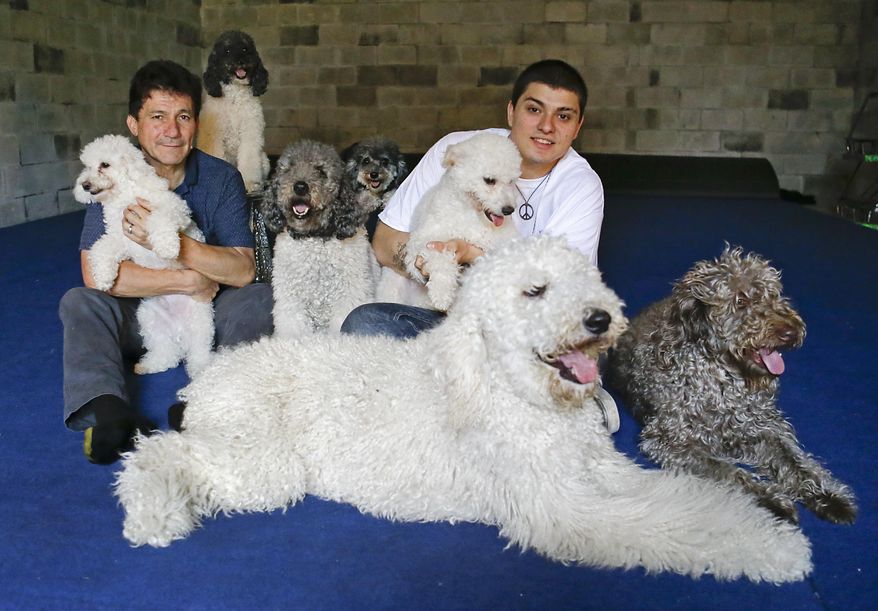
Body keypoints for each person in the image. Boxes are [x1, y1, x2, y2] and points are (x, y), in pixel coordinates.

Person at [341, 59, 618, 432]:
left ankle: (460, 404)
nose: (547, 127)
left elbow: (559, 294)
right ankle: (495, 407)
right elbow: (385, 242)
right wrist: (430, 263)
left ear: (578, 126)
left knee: (569, 350)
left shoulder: (581, 186)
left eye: (564, 116)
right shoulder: (457, 150)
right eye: (534, 109)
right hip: (442, 322)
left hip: (523, 332)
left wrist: (471, 255)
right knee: (364, 325)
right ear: (511, 111)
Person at [59, 60, 273, 464]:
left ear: (196, 123)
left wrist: (180, 249)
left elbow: (243, 270)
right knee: (79, 301)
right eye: (157, 117)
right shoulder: (110, 177)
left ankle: (207, 402)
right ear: (134, 125)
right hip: (141, 315)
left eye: (183, 117)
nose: (172, 131)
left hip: (205, 312)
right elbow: (96, 275)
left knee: (259, 298)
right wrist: (187, 281)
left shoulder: (221, 178)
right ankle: (108, 412)